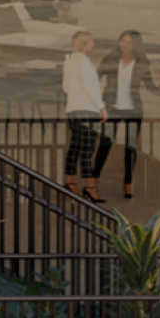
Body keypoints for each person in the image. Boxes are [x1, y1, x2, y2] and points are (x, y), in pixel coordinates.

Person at [108, 29, 160, 199]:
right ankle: (92, 182)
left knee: (131, 148)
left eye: (128, 42)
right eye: (122, 41)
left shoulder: (142, 64)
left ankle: (128, 183)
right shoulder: (111, 58)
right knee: (105, 144)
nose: (124, 45)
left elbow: (152, 88)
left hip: (134, 110)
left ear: (135, 45)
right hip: (113, 108)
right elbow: (96, 78)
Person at [61, 30, 111, 201]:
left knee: (75, 146)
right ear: (84, 44)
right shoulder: (85, 62)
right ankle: (90, 188)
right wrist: (101, 107)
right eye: (91, 41)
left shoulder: (69, 61)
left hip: (73, 109)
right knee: (88, 150)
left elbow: (66, 87)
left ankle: (71, 182)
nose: (93, 44)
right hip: (88, 110)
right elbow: (91, 88)